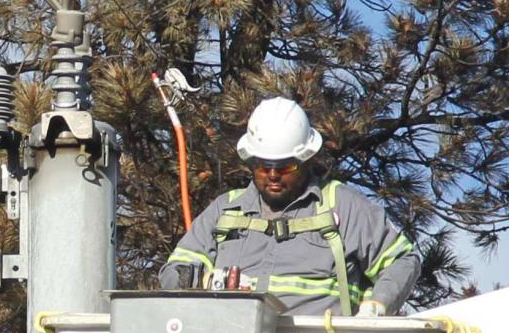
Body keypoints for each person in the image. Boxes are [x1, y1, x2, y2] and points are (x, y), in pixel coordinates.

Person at [159, 96, 419, 316]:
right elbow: (172, 273)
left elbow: (403, 261)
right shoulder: (225, 211)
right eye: (263, 166)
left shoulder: (343, 207)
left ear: (306, 159)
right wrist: (202, 280)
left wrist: (376, 307)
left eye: (285, 167)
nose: (273, 175)